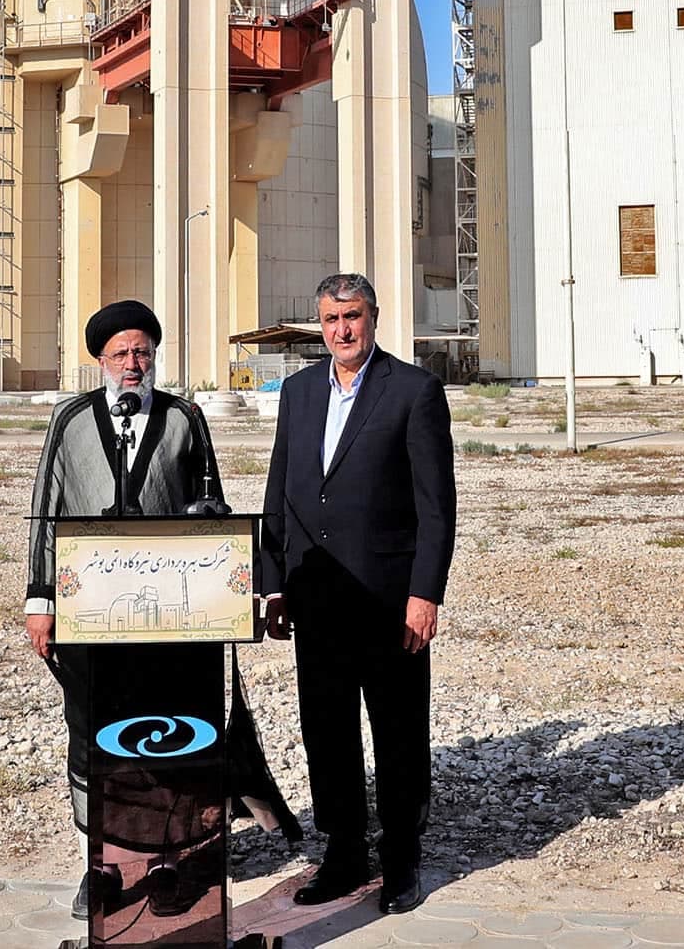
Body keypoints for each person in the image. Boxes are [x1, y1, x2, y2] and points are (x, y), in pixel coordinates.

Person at [261, 272, 457, 915]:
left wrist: (425, 594)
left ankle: (401, 856)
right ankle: (343, 852)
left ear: (373, 317)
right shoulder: (298, 392)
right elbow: (280, 489)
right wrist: (274, 582)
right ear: (319, 325)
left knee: (398, 730)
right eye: (330, 319)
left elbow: (436, 508)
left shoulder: (413, 391)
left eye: (352, 317)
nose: (342, 330)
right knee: (327, 730)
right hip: (316, 596)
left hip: (388, 600)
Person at [24, 299, 226, 920]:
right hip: (88, 615)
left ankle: (167, 860)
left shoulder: (185, 418)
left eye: (142, 352)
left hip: (168, 617)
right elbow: (47, 509)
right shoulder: (70, 420)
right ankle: (103, 865)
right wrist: (40, 599)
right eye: (121, 354)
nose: (132, 363)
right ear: (101, 361)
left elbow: (212, 508)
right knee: (94, 732)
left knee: (167, 731)